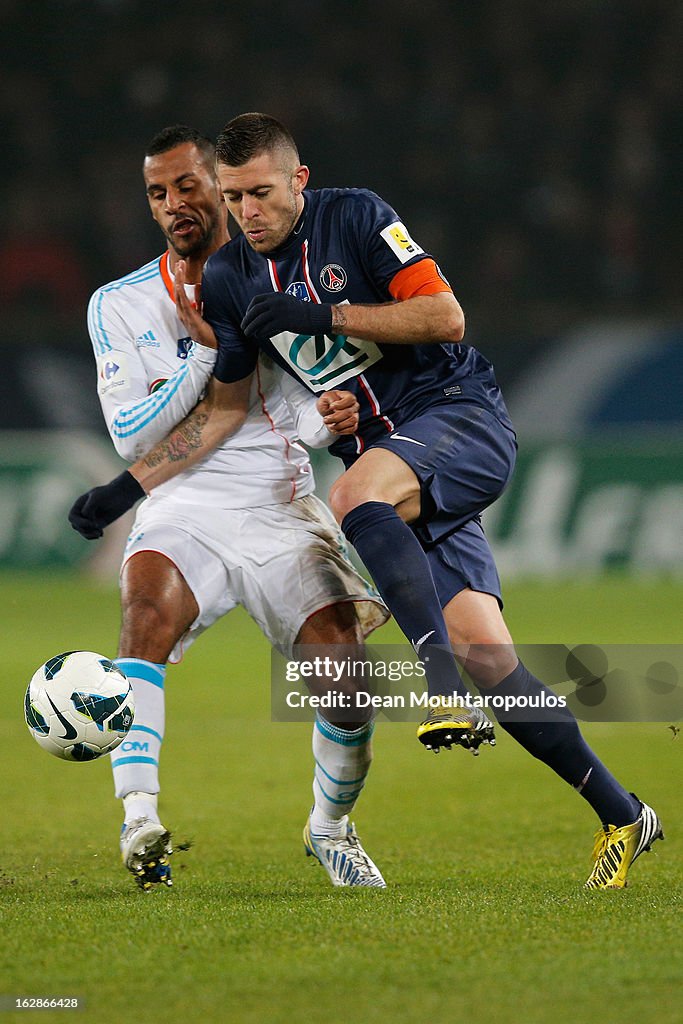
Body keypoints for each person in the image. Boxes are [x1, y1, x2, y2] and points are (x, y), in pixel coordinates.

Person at [71, 114, 662, 890]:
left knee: (351, 497)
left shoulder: (357, 217)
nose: (247, 211)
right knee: (493, 657)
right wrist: (126, 487)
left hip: (453, 414)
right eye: (234, 196)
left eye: (260, 193)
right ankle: (623, 815)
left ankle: (438, 692)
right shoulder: (231, 278)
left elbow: (444, 317)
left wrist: (323, 315)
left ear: (298, 181)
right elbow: (220, 412)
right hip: (387, 463)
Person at [73, 124, 390, 891]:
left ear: (220, 189)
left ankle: (330, 826)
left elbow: (318, 398)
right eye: (158, 192)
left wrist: (332, 417)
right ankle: (139, 821)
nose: (175, 203)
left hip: (281, 499)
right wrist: (207, 355)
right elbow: (129, 434)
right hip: (182, 501)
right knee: (143, 619)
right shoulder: (119, 304)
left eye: (188, 185)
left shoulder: (283, 279)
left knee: (347, 686)